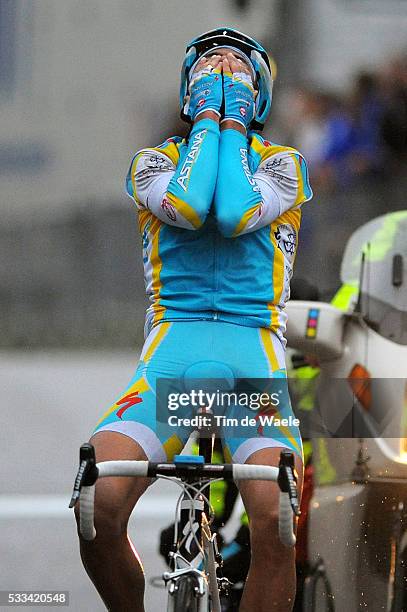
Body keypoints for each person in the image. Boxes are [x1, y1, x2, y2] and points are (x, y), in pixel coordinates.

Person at [74, 28, 312, 612]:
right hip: (169, 366)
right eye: (210, 64)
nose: (222, 70)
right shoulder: (152, 164)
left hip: (250, 369)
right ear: (189, 89)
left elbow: (233, 212)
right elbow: (186, 205)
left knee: (275, 518)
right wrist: (210, 122)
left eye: (237, 67)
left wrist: (226, 126)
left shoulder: (285, 166)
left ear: (259, 95)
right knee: (95, 506)